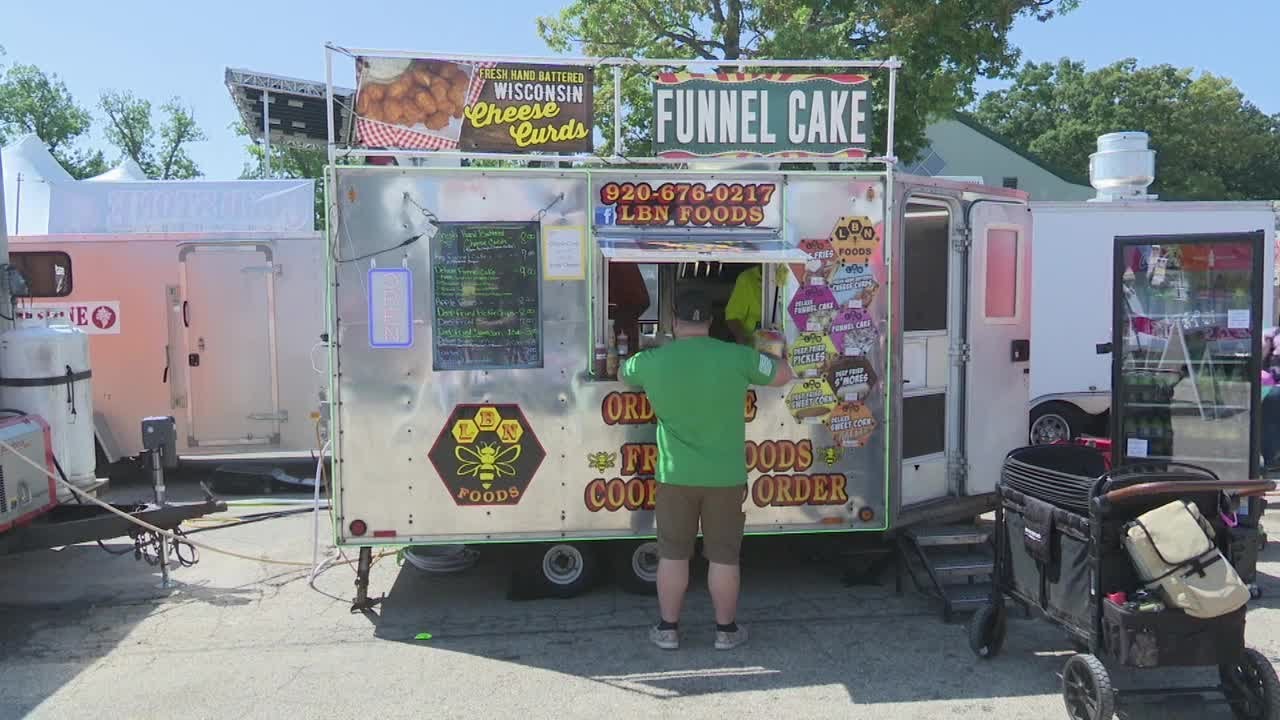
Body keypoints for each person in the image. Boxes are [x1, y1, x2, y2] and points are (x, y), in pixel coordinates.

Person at [619, 286, 793, 651]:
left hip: (675, 475)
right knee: (724, 556)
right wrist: (772, 347)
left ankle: (667, 629)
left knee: (672, 554)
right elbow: (782, 375)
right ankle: (725, 632)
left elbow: (622, 372)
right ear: (711, 321)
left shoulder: (652, 361)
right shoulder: (736, 356)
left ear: (673, 322)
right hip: (725, 477)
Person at [609, 262, 650, 353]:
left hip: (625, 335)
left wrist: (623, 318)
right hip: (625, 335)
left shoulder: (624, 261)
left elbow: (643, 301)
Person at [724, 265, 763, 345]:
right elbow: (732, 317)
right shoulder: (746, 278)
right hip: (752, 347)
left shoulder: (788, 276)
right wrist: (741, 338)